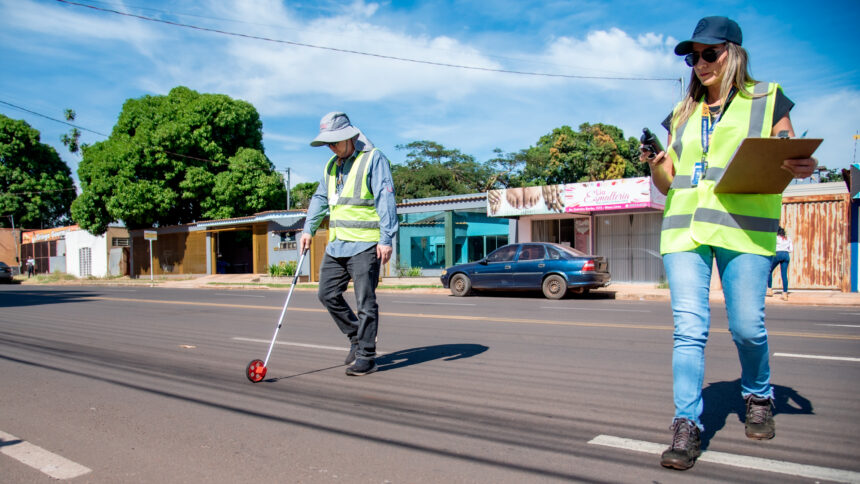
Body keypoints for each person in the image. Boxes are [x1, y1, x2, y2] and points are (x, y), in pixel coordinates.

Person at [640, 16, 818, 470]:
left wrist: (803, 163)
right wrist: (658, 164)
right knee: (689, 329)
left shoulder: (767, 98)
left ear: (733, 53)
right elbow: (667, 184)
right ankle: (686, 424)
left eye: (708, 54)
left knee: (745, 327)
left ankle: (759, 395)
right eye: (691, 56)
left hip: (742, 227)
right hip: (684, 230)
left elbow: (788, 152)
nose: (699, 64)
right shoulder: (681, 113)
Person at [299, 112, 399, 376]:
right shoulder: (331, 166)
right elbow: (320, 198)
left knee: (365, 302)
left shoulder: (372, 159)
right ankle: (356, 337)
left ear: (350, 136)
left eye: (335, 142)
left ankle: (367, 355)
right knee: (326, 293)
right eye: (328, 144)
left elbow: (385, 198)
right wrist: (308, 229)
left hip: (366, 244)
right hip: (337, 245)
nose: (331, 147)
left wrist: (386, 238)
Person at [767, 227, 792, 300]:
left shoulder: (776, 238)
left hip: (777, 254)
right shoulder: (788, 238)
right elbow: (791, 249)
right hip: (786, 255)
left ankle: (770, 290)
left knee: (769, 270)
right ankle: (785, 293)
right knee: (784, 274)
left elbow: (771, 247)